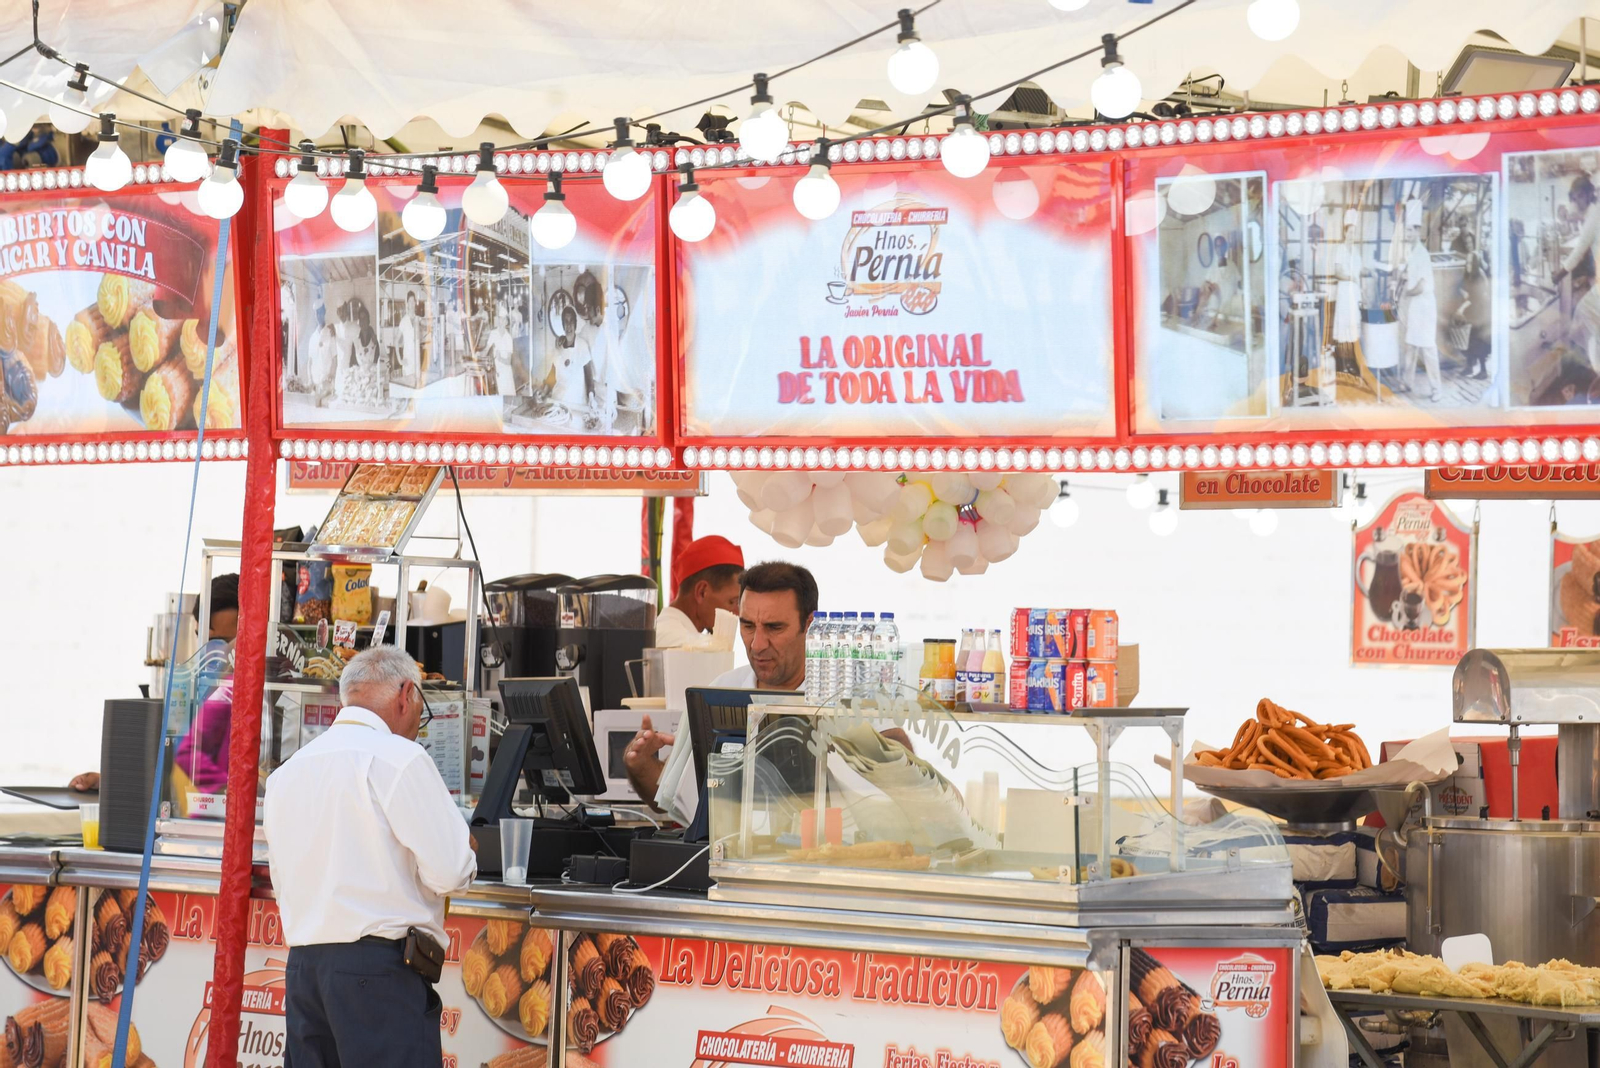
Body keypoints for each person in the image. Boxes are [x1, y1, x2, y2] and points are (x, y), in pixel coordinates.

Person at [264, 646, 474, 1068]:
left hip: (305, 972)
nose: (418, 722)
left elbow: (284, 882)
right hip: (377, 977)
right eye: (421, 708)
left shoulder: (288, 772)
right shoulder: (400, 758)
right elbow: (451, 871)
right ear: (406, 695)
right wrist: (467, 848)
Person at [624, 561, 816, 806]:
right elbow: (677, 801)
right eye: (747, 625)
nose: (757, 644)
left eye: (774, 627)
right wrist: (641, 765)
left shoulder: (841, 700)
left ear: (809, 624)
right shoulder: (720, 690)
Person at [69, 575, 240, 794]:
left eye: (224, 644)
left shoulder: (269, 700)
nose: (211, 657)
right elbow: (174, 771)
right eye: (203, 642)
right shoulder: (194, 693)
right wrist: (109, 782)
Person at [654, 535, 745, 648]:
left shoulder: (669, 631)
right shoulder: (682, 644)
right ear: (702, 592)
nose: (737, 614)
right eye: (732, 602)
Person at [1554, 173, 1600, 373]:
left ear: (1586, 195)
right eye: (1574, 198)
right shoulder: (1593, 212)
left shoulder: (1593, 216)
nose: (1576, 202)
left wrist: (1560, 273)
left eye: (1578, 197)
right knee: (1588, 316)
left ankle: (1596, 367)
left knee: (1583, 313)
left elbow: (1580, 249)